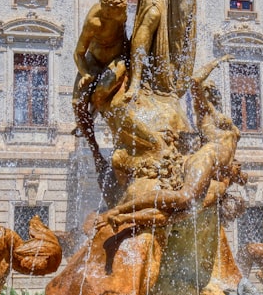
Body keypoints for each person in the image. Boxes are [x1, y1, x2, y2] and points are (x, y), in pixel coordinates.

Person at [98, 56, 243, 231]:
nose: (240, 166)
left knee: (176, 211)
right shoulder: (209, 121)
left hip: (203, 165)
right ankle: (118, 210)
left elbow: (167, 217)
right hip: (203, 160)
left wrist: (128, 218)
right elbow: (195, 81)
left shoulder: (217, 187)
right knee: (185, 198)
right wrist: (215, 63)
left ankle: (122, 216)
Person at [71, 0, 144, 176]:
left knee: (102, 91)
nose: (124, 18)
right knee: (77, 104)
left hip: (119, 56)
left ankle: (102, 113)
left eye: (124, 13)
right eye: (119, 16)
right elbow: (78, 53)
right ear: (106, 12)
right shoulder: (94, 22)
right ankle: (95, 152)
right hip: (94, 60)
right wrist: (85, 74)